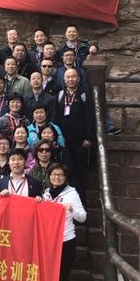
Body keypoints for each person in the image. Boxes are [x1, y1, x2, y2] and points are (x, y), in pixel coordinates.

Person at [43, 163, 86, 281]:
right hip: (48, 243)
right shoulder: (46, 194)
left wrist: (72, 209)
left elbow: (82, 217)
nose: (57, 177)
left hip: (66, 242)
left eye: (60, 175)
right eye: (54, 174)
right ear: (49, 176)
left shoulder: (71, 193)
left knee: (60, 280)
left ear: (65, 177)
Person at [56, 68, 95, 201]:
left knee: (79, 171)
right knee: (65, 170)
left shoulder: (84, 95)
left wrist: (88, 137)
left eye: (73, 77)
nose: (70, 79)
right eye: (68, 77)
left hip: (80, 140)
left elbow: (90, 117)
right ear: (64, 79)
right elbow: (57, 117)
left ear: (78, 78)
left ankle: (80, 201)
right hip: (64, 139)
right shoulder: (60, 95)